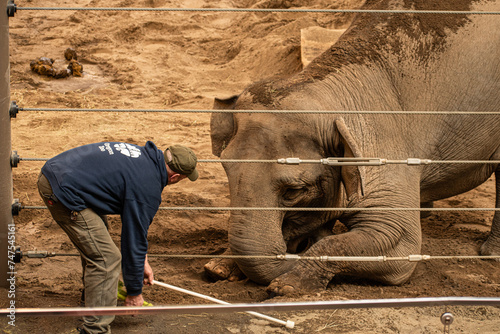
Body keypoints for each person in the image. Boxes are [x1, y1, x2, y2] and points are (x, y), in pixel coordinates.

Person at [37, 141, 198, 334]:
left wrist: (142, 262)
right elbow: (133, 242)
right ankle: (95, 330)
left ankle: (93, 300)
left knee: (98, 244)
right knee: (107, 258)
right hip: (64, 190)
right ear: (175, 177)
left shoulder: (145, 158)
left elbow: (135, 231)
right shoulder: (148, 188)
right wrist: (134, 292)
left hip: (64, 174)